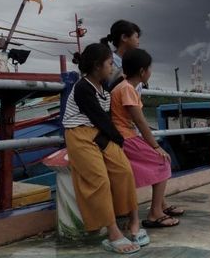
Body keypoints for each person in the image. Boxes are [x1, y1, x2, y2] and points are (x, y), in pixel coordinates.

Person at [63, 43, 149, 254]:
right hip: (78, 134)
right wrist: (117, 139)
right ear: (96, 66)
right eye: (109, 63)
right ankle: (112, 233)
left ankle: (133, 220)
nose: (112, 67)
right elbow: (98, 116)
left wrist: (107, 140)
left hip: (97, 133)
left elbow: (102, 120)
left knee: (123, 170)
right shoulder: (83, 88)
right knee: (98, 179)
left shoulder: (104, 90)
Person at [110, 48, 184, 228]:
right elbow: (141, 122)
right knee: (162, 162)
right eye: (149, 69)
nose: (150, 73)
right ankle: (155, 213)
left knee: (158, 163)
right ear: (142, 71)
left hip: (123, 136)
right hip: (125, 138)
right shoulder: (127, 89)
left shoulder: (125, 87)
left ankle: (161, 204)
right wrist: (156, 147)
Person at [100, 20, 142, 90]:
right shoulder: (106, 64)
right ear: (124, 37)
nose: (138, 42)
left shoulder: (134, 66)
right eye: (136, 37)